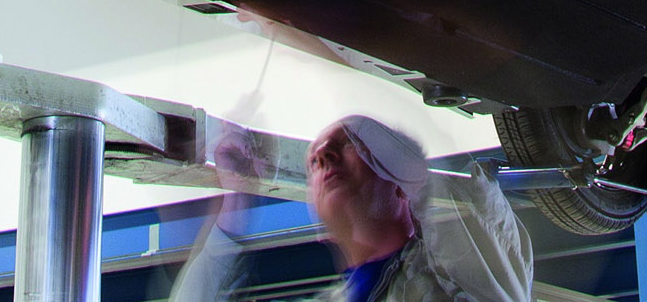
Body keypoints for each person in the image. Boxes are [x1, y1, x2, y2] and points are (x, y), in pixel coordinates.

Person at [174, 113, 532, 302]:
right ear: (320, 229)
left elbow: (467, 199)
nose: (323, 156)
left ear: (402, 183)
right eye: (314, 162)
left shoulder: (470, 271)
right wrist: (237, 199)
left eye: (348, 144)